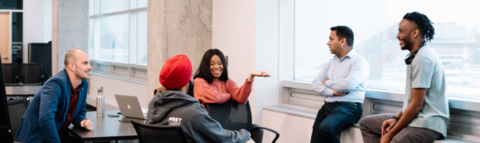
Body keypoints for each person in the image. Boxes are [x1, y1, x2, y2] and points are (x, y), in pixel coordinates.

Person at [359, 11, 449, 143]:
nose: (397, 35)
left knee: (393, 139)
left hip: (427, 124)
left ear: (415, 33)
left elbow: (416, 106)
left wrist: (389, 135)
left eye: (401, 31)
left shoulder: (423, 58)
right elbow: (412, 103)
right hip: (417, 119)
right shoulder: (417, 56)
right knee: (367, 124)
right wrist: (396, 118)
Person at [146, 54, 253, 143]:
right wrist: (245, 134)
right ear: (187, 81)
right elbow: (222, 138)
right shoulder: (194, 113)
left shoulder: (154, 104)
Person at [14, 49, 94, 143]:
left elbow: (79, 112)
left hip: (55, 134)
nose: (90, 67)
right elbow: (46, 119)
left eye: (89, 63)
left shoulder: (83, 84)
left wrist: (82, 121)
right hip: (35, 138)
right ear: (72, 65)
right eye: (85, 63)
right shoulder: (56, 84)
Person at [310, 26, 370, 143]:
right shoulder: (330, 62)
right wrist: (332, 92)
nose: (328, 43)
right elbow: (315, 84)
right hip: (327, 106)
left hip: (349, 107)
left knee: (326, 128)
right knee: (316, 136)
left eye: (331, 39)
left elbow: (348, 84)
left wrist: (326, 82)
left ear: (342, 41)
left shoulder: (359, 61)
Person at [193, 49, 270, 108]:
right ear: (206, 66)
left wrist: (251, 77)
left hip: (224, 124)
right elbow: (216, 98)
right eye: (212, 64)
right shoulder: (199, 82)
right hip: (205, 124)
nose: (216, 67)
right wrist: (230, 95)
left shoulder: (229, 83)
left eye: (220, 63)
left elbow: (241, 99)